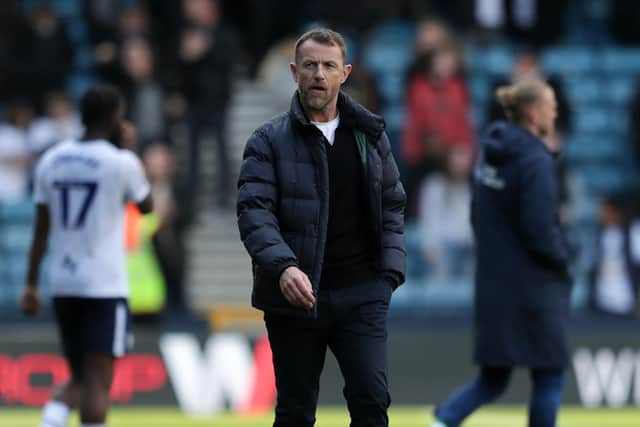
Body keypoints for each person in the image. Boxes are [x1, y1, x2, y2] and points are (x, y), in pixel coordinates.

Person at [236, 28, 406, 427]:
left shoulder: (369, 134)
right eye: (310, 65)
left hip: (362, 293)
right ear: (294, 72)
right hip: (295, 298)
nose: (319, 74)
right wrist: (284, 267)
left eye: (328, 66)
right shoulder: (267, 141)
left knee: (371, 404)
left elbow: (393, 203)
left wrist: (389, 273)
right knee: (295, 412)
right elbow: (253, 213)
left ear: (344, 73)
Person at [431, 80, 572, 427]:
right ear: (533, 112)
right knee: (550, 374)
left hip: (494, 283)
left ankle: (441, 423)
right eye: (551, 105)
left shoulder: (489, 155)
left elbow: (477, 215)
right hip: (534, 289)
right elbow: (541, 230)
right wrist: (563, 260)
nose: (555, 113)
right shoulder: (536, 160)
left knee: (492, 380)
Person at [20, 84, 153, 427]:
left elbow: (40, 229)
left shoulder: (52, 159)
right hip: (103, 285)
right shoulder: (120, 162)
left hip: (63, 282)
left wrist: (32, 284)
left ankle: (51, 420)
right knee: (98, 380)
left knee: (78, 375)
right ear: (114, 118)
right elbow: (147, 205)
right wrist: (128, 149)